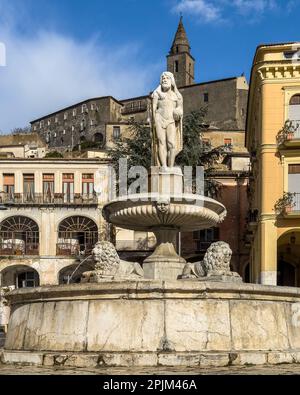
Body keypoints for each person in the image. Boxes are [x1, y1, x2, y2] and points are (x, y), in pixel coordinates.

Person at [151, 72, 183, 168]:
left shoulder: (177, 96)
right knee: (161, 142)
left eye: (167, 78)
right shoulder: (157, 93)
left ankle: (171, 166)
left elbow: (180, 109)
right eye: (163, 78)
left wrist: (178, 111)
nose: (164, 79)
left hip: (171, 120)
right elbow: (153, 107)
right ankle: (164, 166)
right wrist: (153, 122)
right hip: (159, 118)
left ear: (172, 81)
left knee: (171, 144)